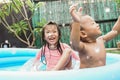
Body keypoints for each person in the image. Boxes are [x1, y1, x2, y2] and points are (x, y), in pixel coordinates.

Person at [69, 4, 120, 68]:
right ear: (83, 34)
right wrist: (76, 22)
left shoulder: (101, 40)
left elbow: (115, 31)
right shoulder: (83, 47)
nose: (97, 24)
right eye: (93, 23)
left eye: (95, 22)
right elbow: (74, 43)